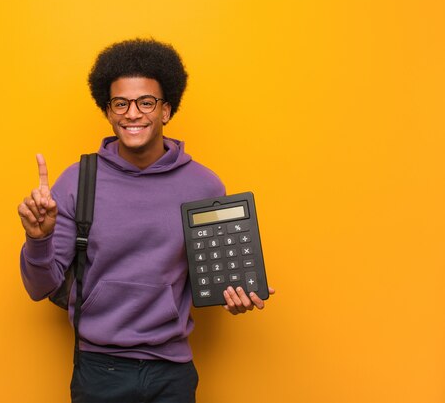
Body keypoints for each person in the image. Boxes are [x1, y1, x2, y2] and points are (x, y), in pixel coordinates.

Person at [18, 38, 274, 403]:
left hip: (173, 371)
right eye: (120, 103)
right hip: (98, 369)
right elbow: (38, 287)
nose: (132, 113)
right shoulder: (78, 180)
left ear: (166, 110)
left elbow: (220, 273)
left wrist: (235, 294)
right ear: (108, 112)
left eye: (145, 102)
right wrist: (38, 239)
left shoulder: (204, 185)